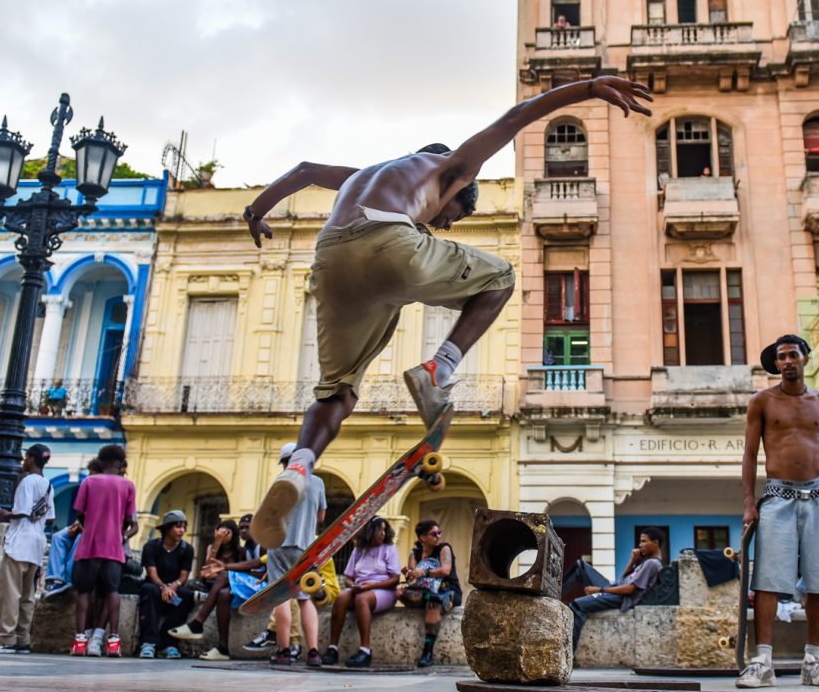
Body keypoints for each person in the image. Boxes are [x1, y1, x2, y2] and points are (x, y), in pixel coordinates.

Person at [242, 75, 652, 547]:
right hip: (389, 242)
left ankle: (299, 467)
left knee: (337, 390)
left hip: (330, 257)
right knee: (500, 276)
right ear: (461, 188)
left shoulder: (364, 173)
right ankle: (440, 368)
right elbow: (518, 117)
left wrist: (257, 211)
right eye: (449, 218)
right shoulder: (455, 166)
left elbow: (304, 170)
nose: (441, 225)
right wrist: (591, 87)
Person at [738, 334, 819, 689]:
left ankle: (813, 660)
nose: (788, 361)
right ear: (776, 364)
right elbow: (749, 455)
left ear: (806, 358)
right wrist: (749, 502)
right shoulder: (762, 401)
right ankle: (762, 662)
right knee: (766, 580)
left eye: (794, 354)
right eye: (782, 357)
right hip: (777, 495)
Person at [262, 444, 329, 669]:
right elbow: (321, 518)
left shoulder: (280, 480)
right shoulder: (317, 482)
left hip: (279, 544)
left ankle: (284, 651)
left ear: (285, 462)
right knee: (304, 598)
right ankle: (313, 653)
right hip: (305, 548)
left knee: (281, 597)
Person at [0, 444, 54, 654]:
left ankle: (6, 638)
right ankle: (23, 638)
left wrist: (6, 515)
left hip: (19, 542)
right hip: (36, 544)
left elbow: (22, 511)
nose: (24, 460)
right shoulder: (47, 484)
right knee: (27, 595)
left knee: (9, 593)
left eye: (26, 457)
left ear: (31, 459)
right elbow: (49, 518)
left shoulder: (27, 482)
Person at [71, 444, 138, 658]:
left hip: (89, 543)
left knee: (84, 591)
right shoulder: (128, 485)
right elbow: (129, 520)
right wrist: (118, 530)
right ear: (120, 463)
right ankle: (113, 641)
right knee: (112, 591)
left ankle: (80, 640)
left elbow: (80, 513)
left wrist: (91, 525)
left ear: (100, 461)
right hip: (113, 545)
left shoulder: (89, 482)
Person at [169, 518, 255, 661]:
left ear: (233, 534)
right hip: (213, 585)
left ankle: (199, 625)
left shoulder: (241, 551)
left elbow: (244, 575)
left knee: (223, 584)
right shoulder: (212, 547)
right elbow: (206, 571)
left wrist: (224, 572)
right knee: (222, 593)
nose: (223, 535)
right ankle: (222, 649)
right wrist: (217, 542)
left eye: (227, 533)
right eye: (220, 532)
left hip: (233, 587)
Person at [569, 529, 664, 655]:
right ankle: (553, 595)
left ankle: (570, 652)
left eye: (643, 541)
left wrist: (599, 590)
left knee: (576, 605)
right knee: (580, 567)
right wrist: (633, 561)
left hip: (622, 598)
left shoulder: (652, 564)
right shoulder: (646, 562)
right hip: (616, 591)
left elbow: (629, 589)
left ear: (655, 543)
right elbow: (623, 581)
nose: (640, 545)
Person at [326, 516, 400, 668]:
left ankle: (365, 651)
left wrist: (369, 586)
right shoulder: (358, 550)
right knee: (341, 597)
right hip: (360, 589)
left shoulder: (389, 549)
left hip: (383, 590)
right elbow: (348, 578)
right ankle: (332, 649)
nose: (383, 534)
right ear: (370, 531)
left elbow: (395, 579)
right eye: (380, 530)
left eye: (385, 530)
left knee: (362, 599)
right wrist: (353, 585)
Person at [398, 519, 463, 667]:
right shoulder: (415, 553)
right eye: (434, 534)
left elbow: (445, 570)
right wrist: (408, 574)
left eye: (439, 532)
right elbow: (412, 577)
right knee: (399, 592)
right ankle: (428, 598)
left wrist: (424, 572)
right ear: (422, 537)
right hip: (424, 591)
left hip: (447, 590)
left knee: (433, 604)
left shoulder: (444, 548)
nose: (438, 536)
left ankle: (427, 652)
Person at [138, 510, 196, 659]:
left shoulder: (187, 549)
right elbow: (152, 574)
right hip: (156, 587)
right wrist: (164, 587)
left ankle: (169, 643)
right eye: (178, 526)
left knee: (187, 595)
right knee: (148, 589)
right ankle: (148, 643)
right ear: (167, 528)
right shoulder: (151, 547)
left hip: (174, 589)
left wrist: (172, 587)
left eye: (184, 527)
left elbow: (184, 576)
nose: (182, 531)